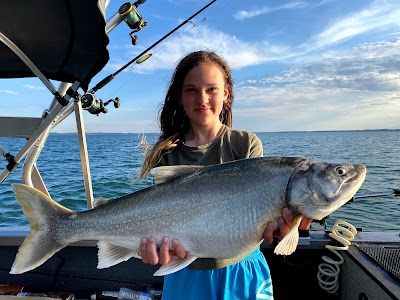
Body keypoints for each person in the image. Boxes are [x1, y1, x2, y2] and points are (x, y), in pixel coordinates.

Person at [138, 50, 312, 300]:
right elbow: (162, 219)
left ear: (226, 94)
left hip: (241, 271)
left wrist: (286, 228)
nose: (202, 98)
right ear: (180, 97)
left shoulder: (245, 145)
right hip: (185, 274)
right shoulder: (167, 155)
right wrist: (155, 251)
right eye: (191, 90)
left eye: (211, 89)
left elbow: (265, 218)